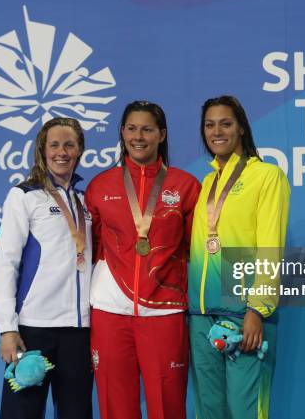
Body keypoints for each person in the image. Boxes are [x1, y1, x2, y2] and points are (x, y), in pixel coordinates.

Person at [85, 101, 201, 419]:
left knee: (167, 407)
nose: (139, 136)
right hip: (110, 312)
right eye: (132, 128)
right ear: (122, 132)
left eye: (147, 129)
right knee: (115, 406)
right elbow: (92, 250)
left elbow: (196, 249)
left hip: (164, 311)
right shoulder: (100, 186)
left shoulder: (186, 186)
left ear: (162, 135)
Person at [188, 95, 290, 419]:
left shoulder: (267, 177)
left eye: (226, 123)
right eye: (209, 124)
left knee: (245, 411)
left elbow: (270, 247)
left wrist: (257, 310)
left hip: (243, 312)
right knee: (209, 410)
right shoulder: (207, 182)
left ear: (242, 128)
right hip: (202, 314)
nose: (217, 131)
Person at [0, 117, 93, 419]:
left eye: (69, 145)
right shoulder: (23, 195)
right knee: (21, 414)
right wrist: (7, 329)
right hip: (33, 328)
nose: (61, 152)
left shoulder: (85, 200)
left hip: (79, 330)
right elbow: (6, 264)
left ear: (79, 151)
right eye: (54, 145)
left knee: (77, 413)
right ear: (42, 150)